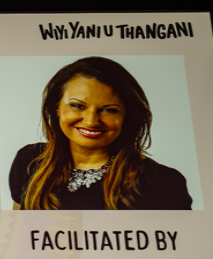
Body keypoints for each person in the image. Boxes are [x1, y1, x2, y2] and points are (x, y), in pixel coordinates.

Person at [10, 56, 192, 210]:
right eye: (77, 106)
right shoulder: (29, 161)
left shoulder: (163, 182)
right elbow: (20, 241)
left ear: (127, 115)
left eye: (109, 110)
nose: (91, 121)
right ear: (56, 107)